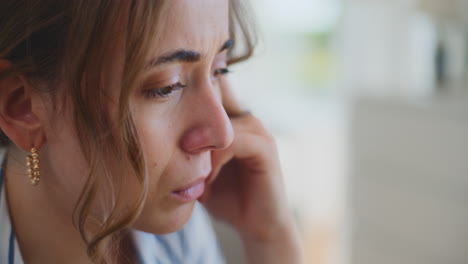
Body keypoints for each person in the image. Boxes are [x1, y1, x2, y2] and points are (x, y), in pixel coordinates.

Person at [0, 0, 303, 263]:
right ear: (23, 106)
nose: (223, 133)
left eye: (219, 70)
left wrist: (270, 236)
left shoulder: (172, 223)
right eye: (166, 87)